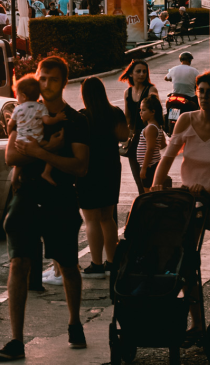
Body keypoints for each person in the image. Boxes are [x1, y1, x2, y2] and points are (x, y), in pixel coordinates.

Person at [0, 56, 90, 359]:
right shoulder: (24, 113)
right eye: (42, 78)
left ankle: (75, 321)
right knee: (18, 263)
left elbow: (80, 166)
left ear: (64, 82)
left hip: (60, 196)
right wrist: (44, 151)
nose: (46, 84)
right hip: (25, 195)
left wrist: (37, 153)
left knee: (67, 263)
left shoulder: (75, 120)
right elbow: (11, 156)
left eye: (52, 79)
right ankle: (16, 340)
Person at [150, 70, 210, 357]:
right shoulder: (187, 120)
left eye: (209, 92)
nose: (203, 96)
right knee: (186, 264)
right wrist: (154, 186)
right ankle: (197, 322)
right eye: (200, 91)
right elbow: (168, 157)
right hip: (189, 199)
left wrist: (208, 191)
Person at [77, 76, 131, 277]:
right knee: (107, 218)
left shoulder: (83, 117)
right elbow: (124, 136)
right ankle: (112, 261)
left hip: (89, 169)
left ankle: (96, 264)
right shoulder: (114, 112)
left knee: (91, 219)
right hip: (110, 167)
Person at [7, 75, 55, 187]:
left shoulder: (18, 108)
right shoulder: (41, 107)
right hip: (37, 140)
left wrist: (10, 133)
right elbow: (47, 121)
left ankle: (14, 179)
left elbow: (10, 124)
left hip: (21, 141)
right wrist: (56, 119)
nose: (16, 98)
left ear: (23, 96)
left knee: (19, 164)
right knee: (53, 148)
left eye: (17, 95)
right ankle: (47, 172)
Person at [120, 59, 159, 196]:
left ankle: (148, 207)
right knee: (138, 179)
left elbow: (156, 111)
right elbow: (127, 117)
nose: (142, 74)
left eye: (144, 71)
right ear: (131, 74)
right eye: (138, 71)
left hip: (148, 136)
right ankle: (144, 205)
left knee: (148, 178)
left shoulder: (151, 90)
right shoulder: (127, 93)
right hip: (134, 138)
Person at [137, 94, 167, 188]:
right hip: (153, 165)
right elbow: (162, 145)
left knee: (148, 193)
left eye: (143, 110)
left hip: (150, 166)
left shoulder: (150, 128)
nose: (140, 112)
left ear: (153, 112)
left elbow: (150, 149)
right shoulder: (157, 127)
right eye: (140, 110)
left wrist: (144, 168)